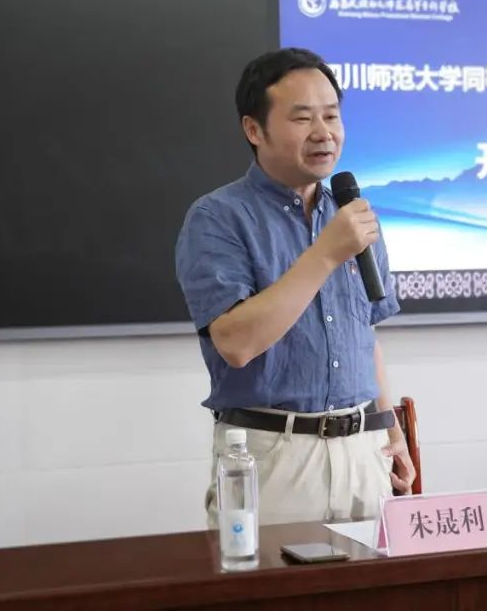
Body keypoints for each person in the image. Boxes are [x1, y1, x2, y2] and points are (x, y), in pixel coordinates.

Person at [175, 47, 415, 526]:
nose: (323, 132)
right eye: (303, 118)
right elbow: (236, 343)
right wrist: (325, 254)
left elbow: (365, 334)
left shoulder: (352, 215)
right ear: (254, 129)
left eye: (332, 115)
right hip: (272, 456)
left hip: (364, 451)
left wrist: (391, 428)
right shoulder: (218, 217)